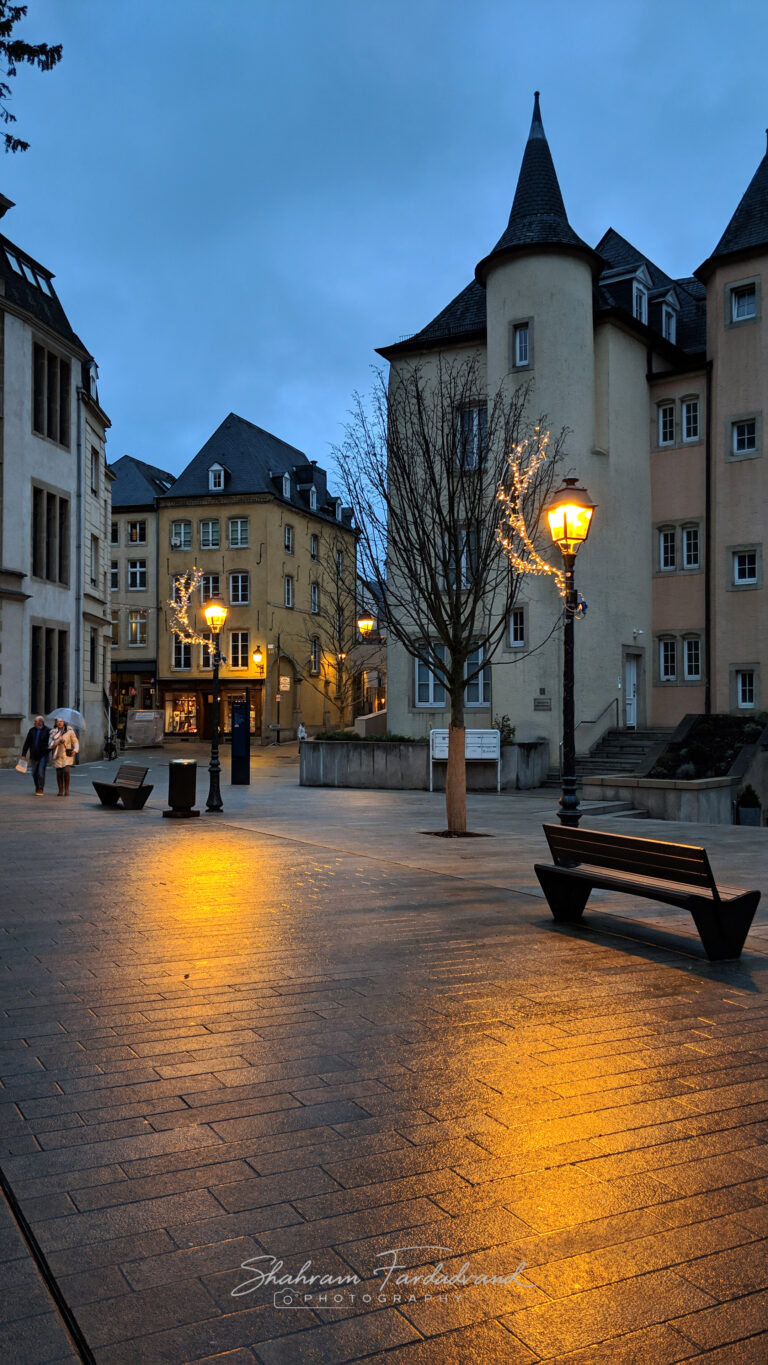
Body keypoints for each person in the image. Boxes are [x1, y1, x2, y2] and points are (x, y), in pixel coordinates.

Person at [49, 718, 79, 796]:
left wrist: (75, 750)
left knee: (66, 771)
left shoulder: (70, 731)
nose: (60, 723)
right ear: (56, 722)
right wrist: (58, 741)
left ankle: (67, 789)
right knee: (59, 773)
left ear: (64, 722)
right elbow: (50, 745)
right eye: (58, 721)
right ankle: (60, 790)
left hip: (67, 754)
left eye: (61, 721)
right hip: (57, 755)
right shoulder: (53, 732)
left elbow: (75, 742)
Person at [21, 716, 50, 794]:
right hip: (33, 755)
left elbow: (51, 743)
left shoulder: (48, 730)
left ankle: (41, 788)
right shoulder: (32, 731)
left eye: (35, 721)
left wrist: (47, 749)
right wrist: (23, 755)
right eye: (34, 721)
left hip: (43, 755)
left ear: (41, 722)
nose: (34, 722)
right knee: (34, 773)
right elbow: (27, 743)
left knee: (41, 771)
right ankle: (37, 786)